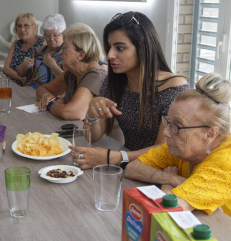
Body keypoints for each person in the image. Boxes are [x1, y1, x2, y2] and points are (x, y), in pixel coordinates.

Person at [71, 12, 189, 169]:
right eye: (109, 47)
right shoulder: (115, 81)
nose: (110, 55)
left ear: (143, 48)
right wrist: (92, 113)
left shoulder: (173, 88)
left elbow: (164, 149)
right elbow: (93, 138)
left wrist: (113, 157)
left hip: (162, 171)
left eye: (120, 48)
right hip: (129, 167)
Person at [125, 73, 231, 217]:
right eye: (168, 122)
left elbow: (168, 211)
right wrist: (172, 178)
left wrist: (167, 187)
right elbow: (132, 168)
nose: (167, 132)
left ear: (210, 135)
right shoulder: (182, 147)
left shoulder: (224, 164)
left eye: (176, 126)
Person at [35, 24, 107, 121]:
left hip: (102, 135)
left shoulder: (96, 76)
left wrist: (50, 103)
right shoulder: (72, 73)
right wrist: (46, 96)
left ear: (80, 55)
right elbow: (42, 89)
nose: (60, 52)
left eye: (65, 48)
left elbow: (71, 113)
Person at [16, 14, 65, 88]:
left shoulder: (66, 53)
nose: (51, 39)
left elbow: (69, 80)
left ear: (62, 34)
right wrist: (24, 65)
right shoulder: (39, 50)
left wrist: (53, 66)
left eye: (55, 35)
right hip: (28, 89)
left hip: (47, 94)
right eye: (48, 35)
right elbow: (20, 73)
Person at [3, 13, 46, 86]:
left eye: (26, 25)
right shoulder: (16, 44)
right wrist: (20, 78)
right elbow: (5, 69)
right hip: (12, 84)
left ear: (34, 27)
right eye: (19, 26)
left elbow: (40, 72)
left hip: (31, 87)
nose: (22, 29)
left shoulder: (43, 43)